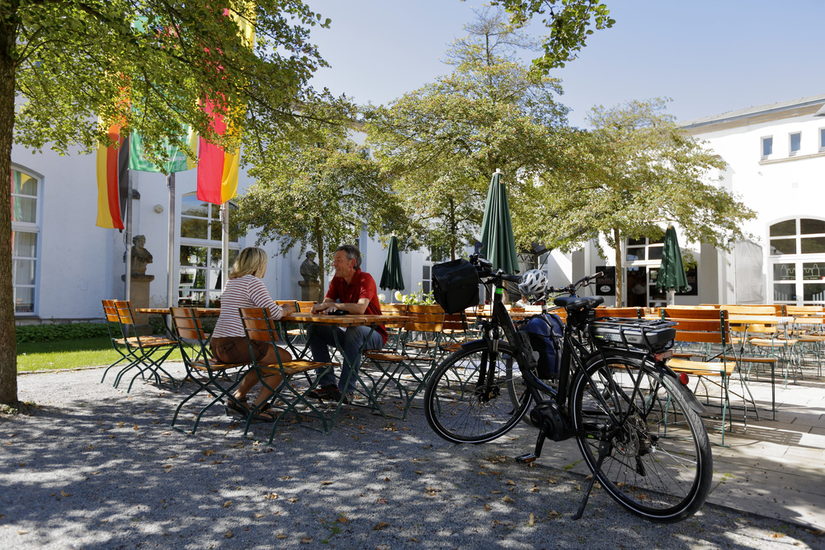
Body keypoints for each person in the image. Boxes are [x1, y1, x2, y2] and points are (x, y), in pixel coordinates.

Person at [210, 247, 295, 420]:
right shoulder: (252, 282)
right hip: (237, 345)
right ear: (260, 264)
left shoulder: (231, 282)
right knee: (283, 360)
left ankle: (238, 398)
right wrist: (286, 309)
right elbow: (275, 313)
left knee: (266, 361)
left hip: (218, 346)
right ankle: (257, 408)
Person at [307, 244, 386, 402]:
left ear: (352, 262)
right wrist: (321, 308)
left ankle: (346, 391)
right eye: (334, 260)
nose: (334, 263)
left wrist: (334, 305)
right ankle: (328, 386)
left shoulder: (365, 279)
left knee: (354, 331)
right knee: (314, 328)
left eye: (338, 260)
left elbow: (360, 308)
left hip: (374, 335)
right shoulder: (337, 280)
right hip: (350, 335)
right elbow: (325, 305)